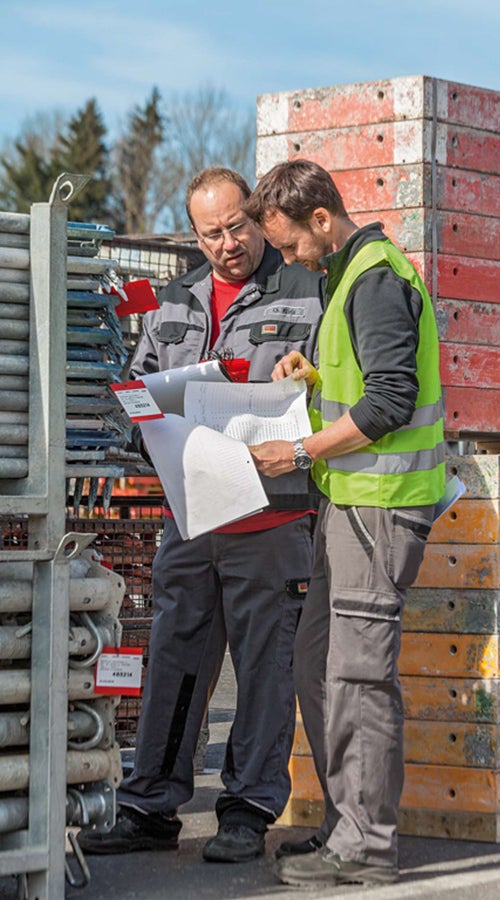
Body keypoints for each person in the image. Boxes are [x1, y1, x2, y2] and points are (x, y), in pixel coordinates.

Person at [78, 167, 323, 863]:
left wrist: (308, 380)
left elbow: (337, 381)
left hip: (273, 520)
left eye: (237, 227)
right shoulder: (176, 300)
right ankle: (151, 803)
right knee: (175, 659)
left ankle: (246, 809)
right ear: (195, 234)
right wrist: (140, 416)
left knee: (265, 669)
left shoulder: (308, 289)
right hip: (190, 517)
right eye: (211, 233)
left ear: (257, 219)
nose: (227, 244)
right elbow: (139, 386)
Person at [244, 159, 446, 887]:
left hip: (380, 509)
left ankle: (366, 848)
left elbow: (391, 400)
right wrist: (315, 376)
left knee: (359, 678)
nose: (291, 258)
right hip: (351, 506)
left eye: (293, 244)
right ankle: (345, 825)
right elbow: (363, 380)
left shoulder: (375, 280)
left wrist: (298, 448)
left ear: (321, 220)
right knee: (319, 664)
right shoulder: (348, 276)